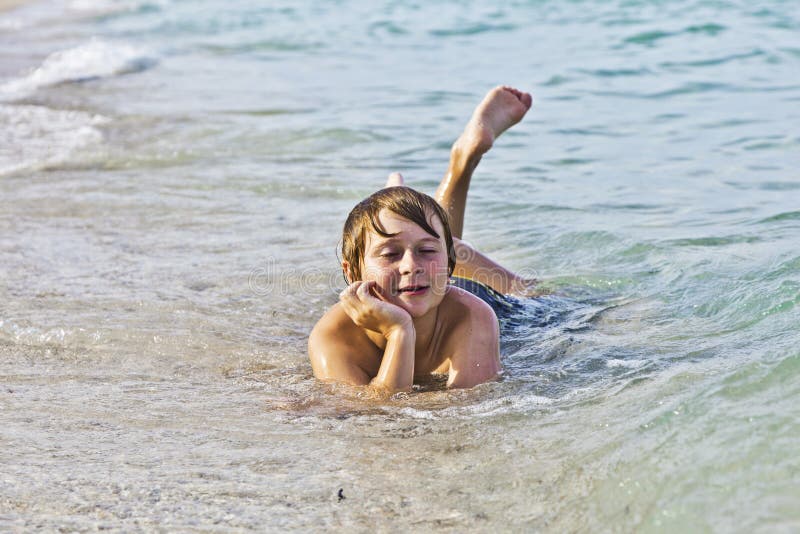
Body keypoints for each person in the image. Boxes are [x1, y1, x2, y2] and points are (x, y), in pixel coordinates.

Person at [309, 86, 534, 393]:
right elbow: (378, 421)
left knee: (535, 294)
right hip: (433, 277)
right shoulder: (332, 336)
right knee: (425, 233)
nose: (409, 265)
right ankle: (416, 211)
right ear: (351, 273)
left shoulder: (476, 315)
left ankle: (459, 168)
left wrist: (400, 329)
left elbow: (466, 410)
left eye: (425, 251)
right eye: (390, 254)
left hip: (496, 302)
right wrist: (399, 331)